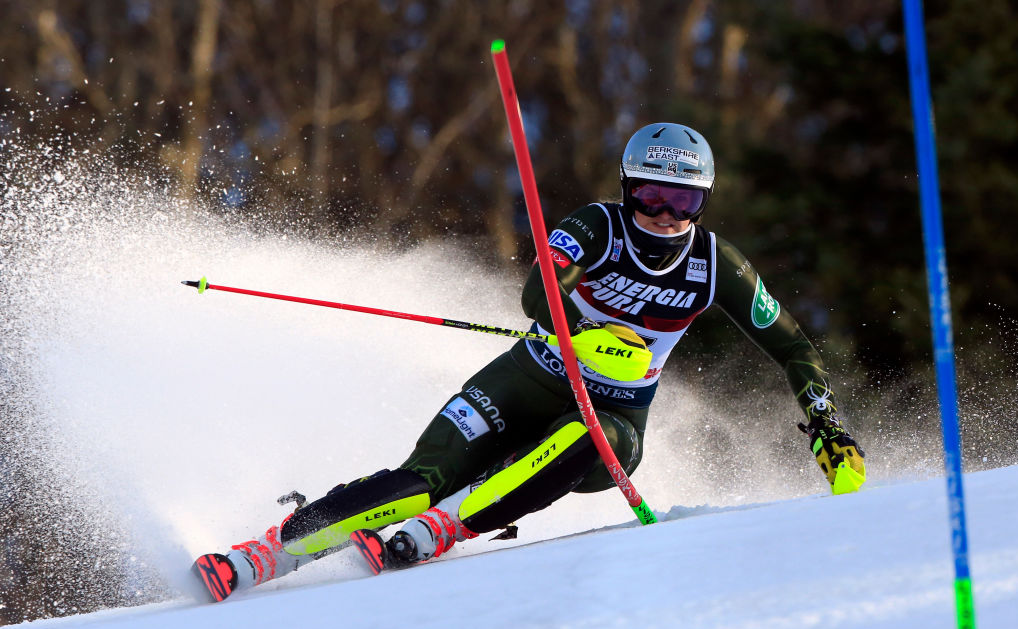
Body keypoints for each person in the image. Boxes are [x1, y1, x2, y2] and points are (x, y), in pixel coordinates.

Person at [191, 123, 866, 601]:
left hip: (611, 415)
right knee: (417, 480)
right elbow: (537, 288)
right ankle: (266, 553)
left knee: (589, 435)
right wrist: (576, 334)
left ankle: (446, 526)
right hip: (526, 379)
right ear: (628, 190)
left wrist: (827, 427)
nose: (662, 214)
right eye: (649, 196)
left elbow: (794, 346)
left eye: (681, 200)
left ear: (704, 201)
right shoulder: (598, 226)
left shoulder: (717, 265)